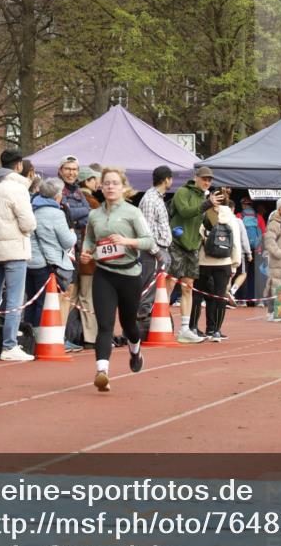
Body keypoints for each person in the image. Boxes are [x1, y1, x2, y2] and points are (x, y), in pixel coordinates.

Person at [81, 167, 153, 391]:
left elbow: (148, 242)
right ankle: (102, 372)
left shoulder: (132, 213)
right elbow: (89, 240)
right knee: (105, 325)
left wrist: (126, 241)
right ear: (101, 186)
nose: (110, 186)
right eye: (107, 183)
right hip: (104, 273)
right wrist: (86, 253)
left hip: (129, 275)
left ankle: (135, 350)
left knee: (129, 323)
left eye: (115, 183)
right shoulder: (95, 215)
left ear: (123, 187)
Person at [0, 147, 37, 362]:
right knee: (14, 298)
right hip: (14, 250)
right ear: (19, 165)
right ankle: (9, 345)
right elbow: (28, 223)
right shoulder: (18, 189)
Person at [24, 177, 78, 349]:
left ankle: (27, 339)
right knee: (44, 303)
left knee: (31, 301)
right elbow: (68, 242)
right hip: (47, 263)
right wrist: (73, 232)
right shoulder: (57, 214)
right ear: (57, 196)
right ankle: (41, 340)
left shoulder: (31, 208)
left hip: (29, 261)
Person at [168, 165, 215, 343]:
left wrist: (215, 209)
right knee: (170, 284)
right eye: (204, 178)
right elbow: (185, 212)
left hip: (193, 246)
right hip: (176, 243)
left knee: (188, 287)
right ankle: (162, 323)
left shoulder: (204, 197)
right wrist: (207, 204)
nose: (207, 182)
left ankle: (185, 329)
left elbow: (210, 225)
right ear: (196, 177)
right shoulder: (182, 192)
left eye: (210, 180)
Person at [193, 192, 241, 342]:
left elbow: (197, 237)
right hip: (223, 262)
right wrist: (235, 264)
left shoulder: (203, 214)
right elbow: (235, 243)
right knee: (220, 296)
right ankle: (215, 330)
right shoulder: (231, 218)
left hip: (203, 261)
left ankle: (193, 327)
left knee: (198, 294)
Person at [138, 165, 174, 336]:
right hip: (153, 252)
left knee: (154, 290)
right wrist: (157, 252)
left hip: (160, 249)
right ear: (166, 179)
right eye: (170, 178)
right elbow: (146, 230)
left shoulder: (158, 198)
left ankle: (146, 327)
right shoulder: (151, 199)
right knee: (148, 289)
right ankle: (139, 330)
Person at [73, 166, 102, 347]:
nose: (98, 183)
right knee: (87, 298)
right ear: (87, 181)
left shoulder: (74, 199)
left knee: (73, 297)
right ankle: (91, 337)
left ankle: (68, 334)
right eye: (95, 179)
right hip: (88, 258)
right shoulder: (91, 203)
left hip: (75, 255)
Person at [58, 156, 91, 275]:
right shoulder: (56, 188)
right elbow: (65, 213)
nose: (71, 173)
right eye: (67, 169)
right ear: (60, 170)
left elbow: (89, 213)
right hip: (61, 246)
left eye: (74, 169)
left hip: (77, 244)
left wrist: (75, 221)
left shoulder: (78, 191)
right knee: (65, 284)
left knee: (74, 284)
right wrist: (83, 211)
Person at [264, 198, 281, 323]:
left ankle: (278, 312)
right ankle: (275, 313)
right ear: (278, 209)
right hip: (278, 261)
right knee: (276, 286)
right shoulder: (274, 223)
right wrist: (280, 254)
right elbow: (269, 242)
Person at [236, 197, 266, 305]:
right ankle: (260, 301)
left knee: (243, 274)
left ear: (243, 205)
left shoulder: (239, 216)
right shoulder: (259, 217)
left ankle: (242, 300)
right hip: (257, 250)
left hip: (244, 250)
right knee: (259, 275)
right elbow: (264, 234)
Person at [227, 199, 252, 300]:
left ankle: (224, 297)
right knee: (243, 273)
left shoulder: (218, 220)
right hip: (239, 253)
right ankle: (232, 292)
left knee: (228, 276)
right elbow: (244, 239)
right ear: (233, 209)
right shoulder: (238, 221)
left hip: (224, 253)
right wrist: (249, 253)